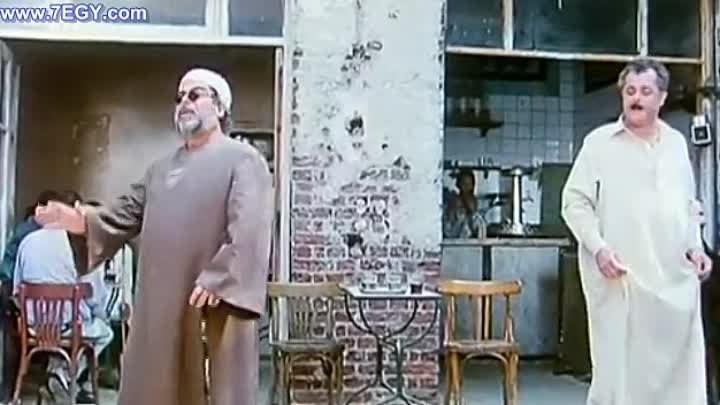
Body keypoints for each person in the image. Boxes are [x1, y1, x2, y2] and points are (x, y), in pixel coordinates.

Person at [33, 67, 274, 405]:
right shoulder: (160, 170)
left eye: (195, 95)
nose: (184, 102)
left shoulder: (245, 161)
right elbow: (123, 215)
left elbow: (249, 230)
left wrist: (219, 279)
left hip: (212, 305)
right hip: (160, 308)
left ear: (220, 107)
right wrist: (79, 219)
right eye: (179, 97)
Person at [561, 57, 712, 405]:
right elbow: (574, 202)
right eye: (630, 91)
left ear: (662, 98)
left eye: (645, 91)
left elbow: (688, 207)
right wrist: (598, 248)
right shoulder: (599, 143)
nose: (636, 98)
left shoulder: (676, 144)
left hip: (671, 280)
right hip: (621, 279)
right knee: (618, 376)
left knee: (679, 378)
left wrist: (696, 248)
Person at [13, 190, 113, 404]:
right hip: (68, 327)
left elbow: (17, 288)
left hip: (33, 327)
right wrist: (100, 313)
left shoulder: (26, 242)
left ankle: (54, 373)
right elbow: (95, 295)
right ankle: (63, 375)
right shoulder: (80, 245)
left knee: (75, 324)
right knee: (105, 331)